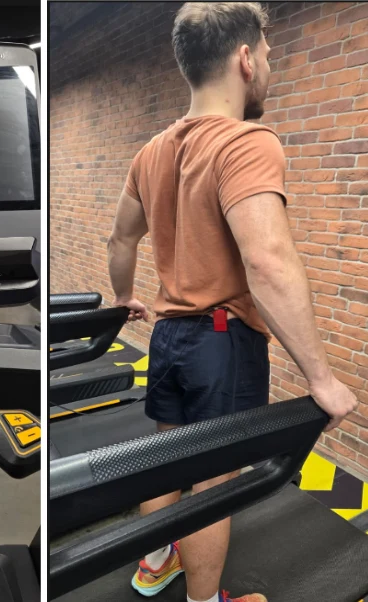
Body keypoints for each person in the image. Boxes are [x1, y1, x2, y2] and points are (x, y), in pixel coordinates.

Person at [106, 3, 358, 602]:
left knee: (166, 457)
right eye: (268, 54)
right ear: (245, 58)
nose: (269, 64)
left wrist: (123, 298)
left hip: (167, 336)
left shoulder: (151, 152)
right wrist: (320, 377)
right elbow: (267, 262)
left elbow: (121, 238)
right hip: (222, 342)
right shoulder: (247, 143)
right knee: (211, 481)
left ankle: (154, 563)